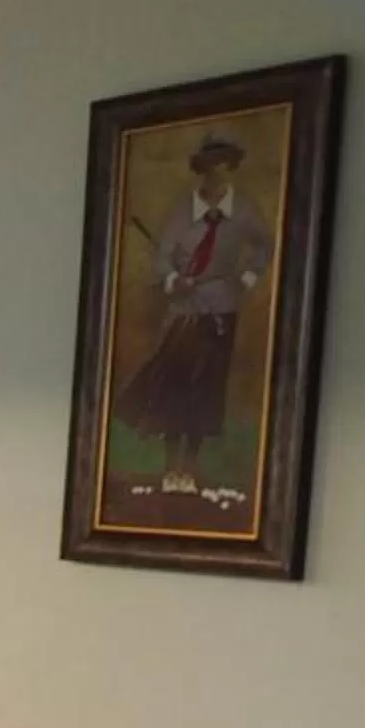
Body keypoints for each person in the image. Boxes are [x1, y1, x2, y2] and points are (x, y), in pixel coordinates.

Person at [116, 132, 271, 500]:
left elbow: (264, 246)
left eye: (224, 165)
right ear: (201, 170)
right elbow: (162, 256)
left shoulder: (244, 210)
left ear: (231, 168)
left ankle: (191, 465)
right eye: (209, 167)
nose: (217, 174)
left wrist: (245, 280)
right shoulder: (183, 209)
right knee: (175, 387)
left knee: (206, 389)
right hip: (183, 310)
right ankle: (171, 468)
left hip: (220, 309)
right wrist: (173, 280)